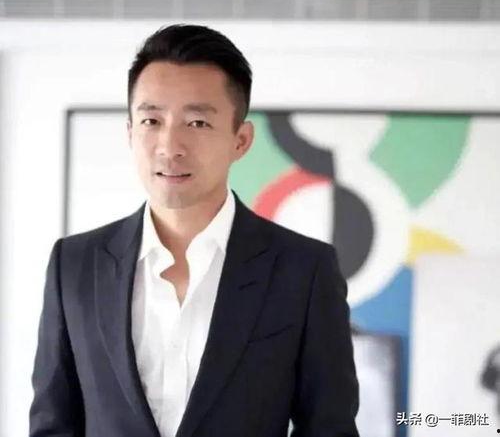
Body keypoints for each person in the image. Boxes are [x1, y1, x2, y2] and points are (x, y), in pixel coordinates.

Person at [29, 24, 359, 437]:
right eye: (151, 120)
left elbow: (329, 428)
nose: (170, 146)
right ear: (130, 132)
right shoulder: (75, 265)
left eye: (198, 123)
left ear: (241, 140)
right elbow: (53, 424)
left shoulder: (304, 270)